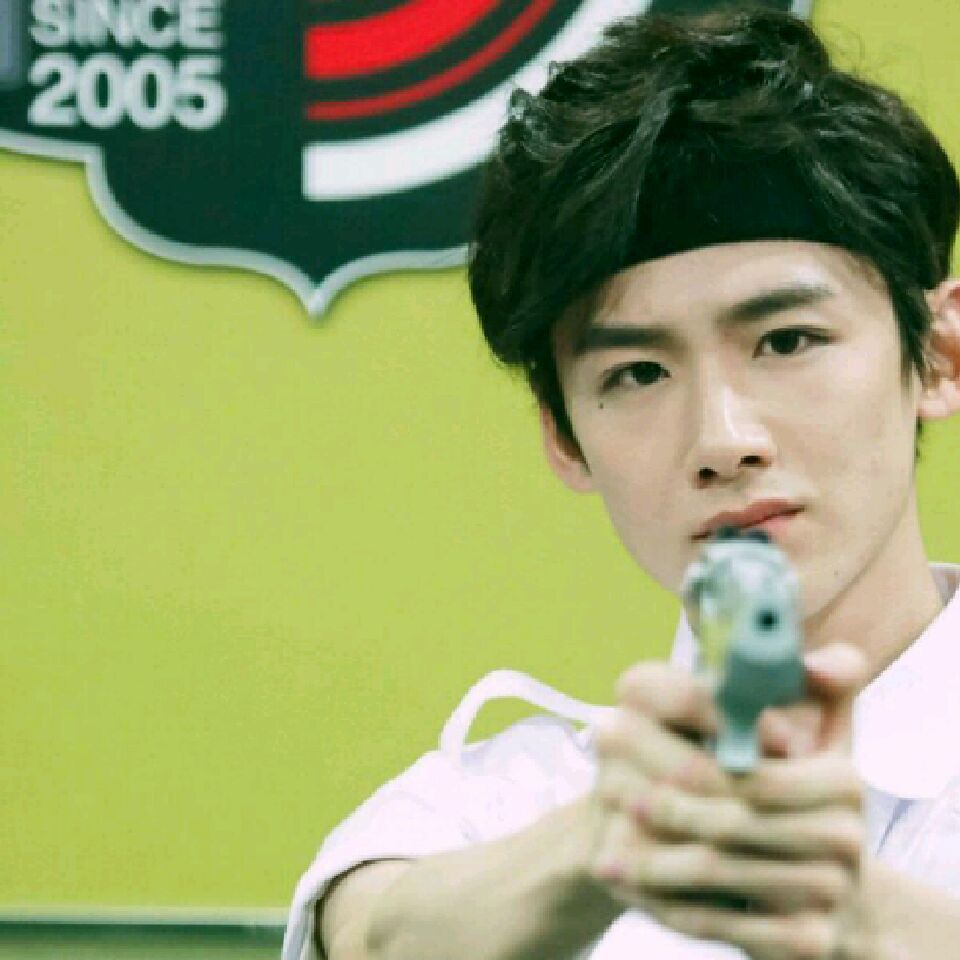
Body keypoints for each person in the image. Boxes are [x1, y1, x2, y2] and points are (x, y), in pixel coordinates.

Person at [282, 7, 960, 959]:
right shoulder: (514, 801)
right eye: (637, 373)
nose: (723, 441)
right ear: (564, 437)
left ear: (938, 357)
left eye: (786, 341)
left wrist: (858, 916)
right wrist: (612, 838)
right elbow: (376, 932)